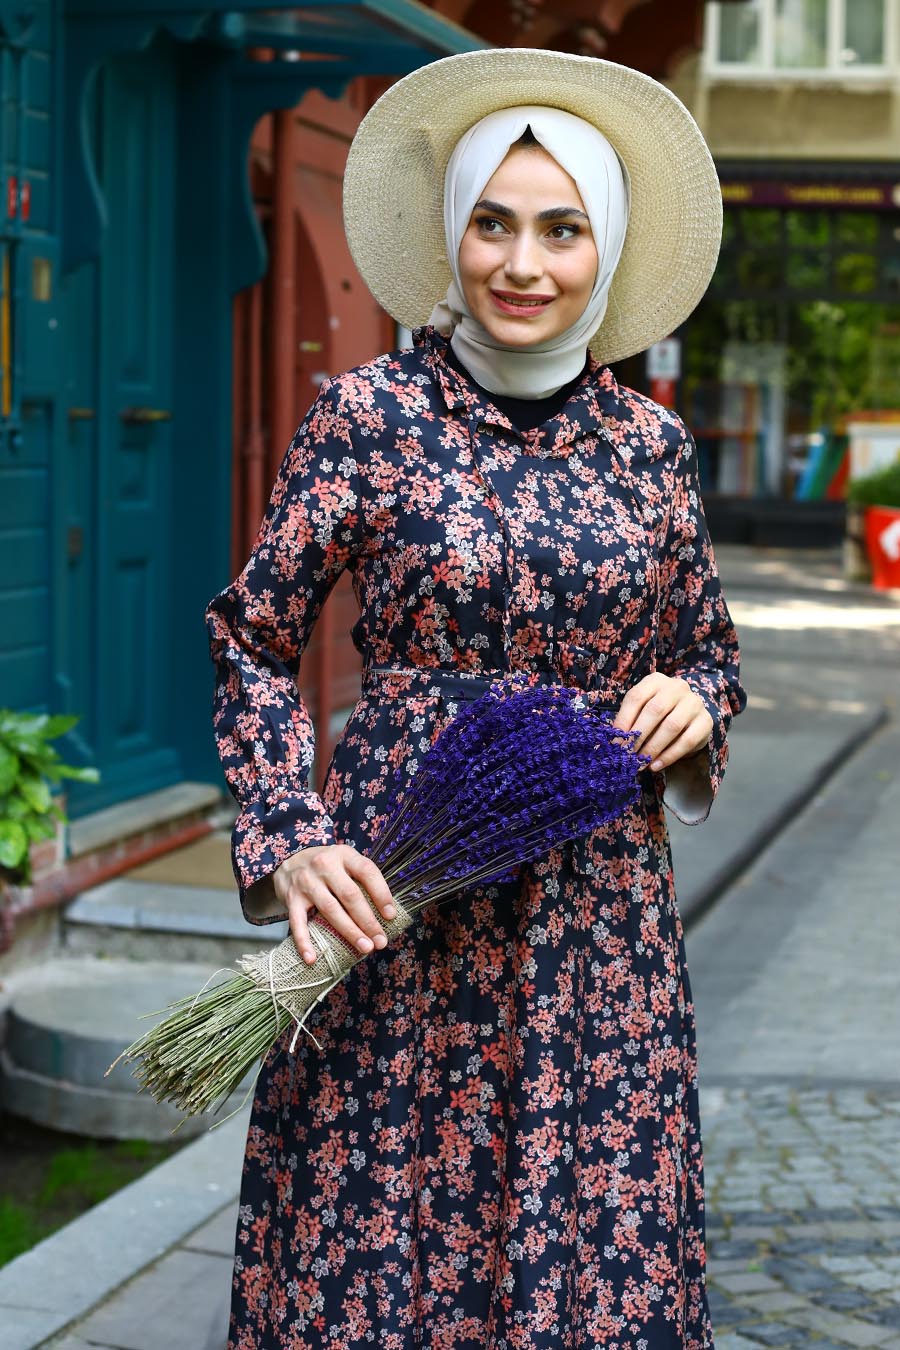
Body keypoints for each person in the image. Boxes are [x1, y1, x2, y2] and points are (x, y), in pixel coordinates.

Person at [205, 47, 747, 1350]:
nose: (522, 262)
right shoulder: (370, 419)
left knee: (583, 1261)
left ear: (604, 250)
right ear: (452, 238)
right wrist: (292, 831)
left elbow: (710, 651)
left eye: (562, 229)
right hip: (397, 901)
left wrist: (690, 704)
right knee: (373, 1249)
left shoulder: (650, 448)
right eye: (492, 223)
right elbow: (254, 638)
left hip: (593, 929)